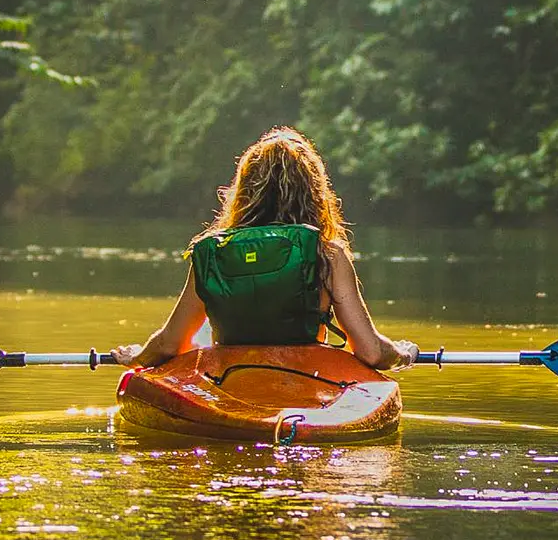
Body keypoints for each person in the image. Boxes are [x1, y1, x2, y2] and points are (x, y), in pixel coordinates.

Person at [110, 126, 418, 371]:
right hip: (306, 379)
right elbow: (371, 352)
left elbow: (169, 345)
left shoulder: (214, 253)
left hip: (229, 379)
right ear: (314, 192)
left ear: (244, 190)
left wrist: (138, 356)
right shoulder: (328, 256)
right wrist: (402, 353)